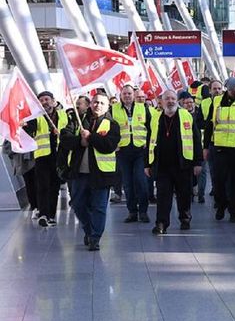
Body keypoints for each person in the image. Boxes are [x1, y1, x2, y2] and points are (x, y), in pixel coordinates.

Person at [60, 92, 120, 251]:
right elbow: (64, 138)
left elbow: (109, 145)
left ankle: (95, 237)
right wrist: (80, 141)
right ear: (90, 104)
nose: (97, 105)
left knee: (99, 207)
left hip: (101, 174)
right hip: (79, 173)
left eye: (101, 103)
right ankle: (88, 230)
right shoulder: (78, 120)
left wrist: (91, 137)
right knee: (78, 204)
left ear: (107, 106)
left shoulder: (112, 124)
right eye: (95, 102)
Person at [145, 90, 203, 234]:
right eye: (167, 99)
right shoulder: (155, 118)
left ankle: (185, 218)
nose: (170, 101)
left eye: (172, 98)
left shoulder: (186, 116)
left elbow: (196, 140)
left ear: (177, 101)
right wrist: (147, 163)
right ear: (162, 101)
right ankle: (161, 223)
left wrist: (197, 162)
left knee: (184, 194)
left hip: (183, 163)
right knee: (163, 196)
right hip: (162, 165)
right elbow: (149, 141)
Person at [203, 77, 235, 223]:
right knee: (219, 181)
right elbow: (209, 125)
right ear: (229, 89)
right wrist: (206, 147)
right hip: (220, 149)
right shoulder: (217, 102)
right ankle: (221, 205)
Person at [25, 91, 68, 227]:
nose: (44, 102)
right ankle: (43, 214)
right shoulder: (35, 117)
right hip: (42, 155)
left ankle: (51, 215)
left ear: (53, 101)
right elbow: (29, 129)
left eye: (46, 99)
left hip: (59, 155)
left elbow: (68, 130)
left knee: (54, 186)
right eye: (41, 100)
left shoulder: (63, 114)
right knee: (43, 186)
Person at [111, 85, 151, 223]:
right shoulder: (114, 109)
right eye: (124, 93)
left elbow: (151, 127)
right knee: (127, 183)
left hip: (140, 150)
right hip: (123, 150)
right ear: (120, 95)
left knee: (141, 181)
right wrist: (113, 144)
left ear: (133, 95)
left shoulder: (143, 108)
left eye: (129, 93)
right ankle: (132, 212)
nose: (127, 96)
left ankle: (143, 211)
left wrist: (149, 143)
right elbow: (109, 128)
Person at [200, 79, 223, 197]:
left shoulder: (227, 103)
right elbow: (201, 123)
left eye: (219, 88)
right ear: (209, 90)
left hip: (225, 143)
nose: (217, 91)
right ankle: (216, 190)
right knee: (213, 170)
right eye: (214, 89)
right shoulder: (205, 103)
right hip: (212, 142)